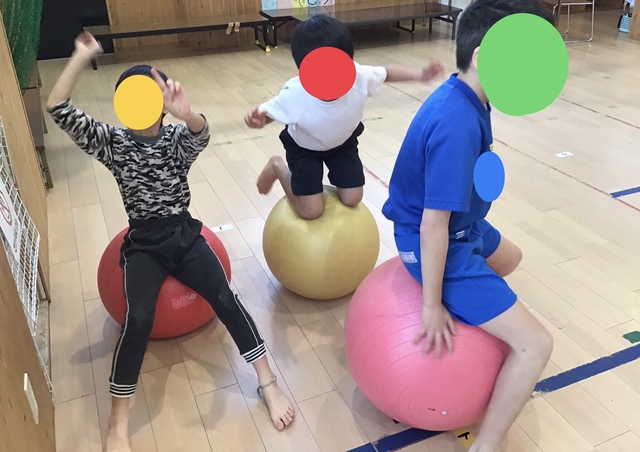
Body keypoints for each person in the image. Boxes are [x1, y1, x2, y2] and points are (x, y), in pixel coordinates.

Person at [46, 32, 294, 452]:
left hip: (184, 234)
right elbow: (58, 107)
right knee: (139, 318)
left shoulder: (175, 139)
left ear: (162, 104)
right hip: (143, 242)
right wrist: (81, 55)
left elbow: (200, 134)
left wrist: (188, 113)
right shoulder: (114, 143)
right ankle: (118, 421)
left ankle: (267, 380)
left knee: (225, 297)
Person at [381, 1, 555, 451]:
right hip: (438, 239)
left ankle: (483, 320)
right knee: (536, 345)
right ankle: (488, 443)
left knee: (511, 259)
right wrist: (431, 304)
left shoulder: (470, 95)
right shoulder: (456, 121)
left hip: (465, 226)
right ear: (482, 57)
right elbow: (432, 226)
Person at [245, 15, 444, 220]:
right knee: (311, 210)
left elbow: (386, 73)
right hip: (304, 149)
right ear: (304, 71)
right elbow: (270, 113)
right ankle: (276, 166)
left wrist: (420, 74)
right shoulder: (295, 93)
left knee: (353, 198)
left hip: (342, 144)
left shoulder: (359, 76)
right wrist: (258, 119)